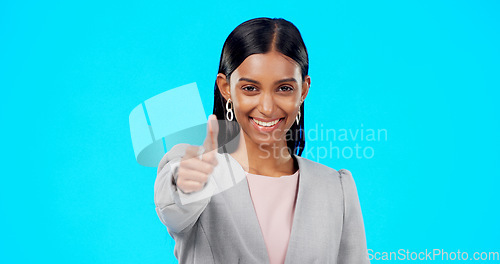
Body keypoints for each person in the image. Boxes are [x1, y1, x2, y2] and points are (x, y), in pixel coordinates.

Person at [154, 17, 369, 264]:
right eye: (250, 88)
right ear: (226, 89)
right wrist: (186, 184)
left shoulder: (336, 188)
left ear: (304, 90)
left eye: (284, 88)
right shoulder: (196, 169)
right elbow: (172, 209)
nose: (267, 108)